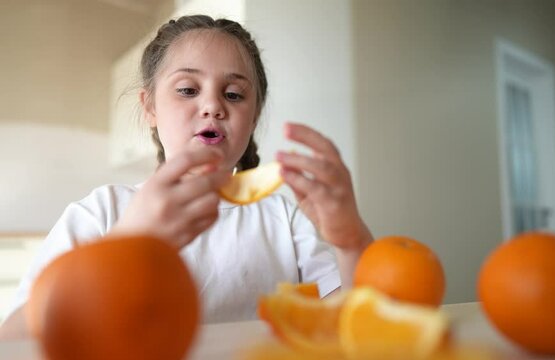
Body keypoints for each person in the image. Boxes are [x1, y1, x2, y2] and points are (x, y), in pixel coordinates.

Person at [0, 15, 373, 339]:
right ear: (150, 108)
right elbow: (14, 340)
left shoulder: (284, 219)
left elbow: (350, 324)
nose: (212, 106)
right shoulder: (101, 213)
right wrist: (128, 246)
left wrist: (351, 241)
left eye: (233, 94)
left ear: (254, 116)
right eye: (188, 90)